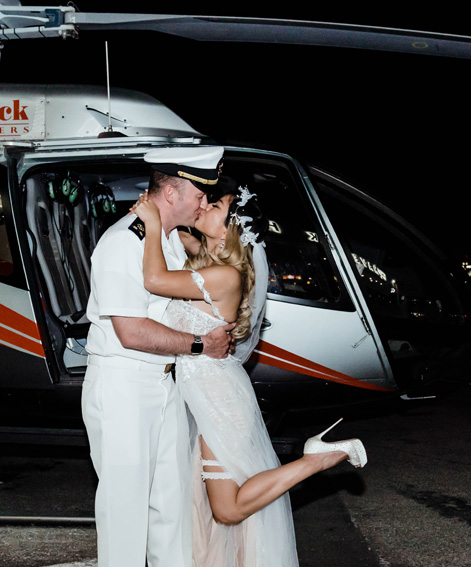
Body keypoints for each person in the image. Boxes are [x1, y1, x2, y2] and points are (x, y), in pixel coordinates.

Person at [131, 179, 368, 567]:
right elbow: (188, 243)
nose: (205, 206)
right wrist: (172, 220)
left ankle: (318, 458)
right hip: (205, 395)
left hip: (218, 397)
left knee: (228, 510)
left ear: (229, 231)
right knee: (215, 514)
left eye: (216, 207)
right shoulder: (209, 263)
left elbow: (155, 279)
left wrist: (153, 222)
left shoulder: (225, 277)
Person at [81, 146, 235, 567]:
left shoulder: (165, 240)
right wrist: (202, 345)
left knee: (172, 511)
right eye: (199, 194)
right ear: (171, 192)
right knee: (125, 515)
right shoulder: (121, 243)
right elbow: (131, 332)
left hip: (164, 382)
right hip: (124, 386)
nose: (205, 203)